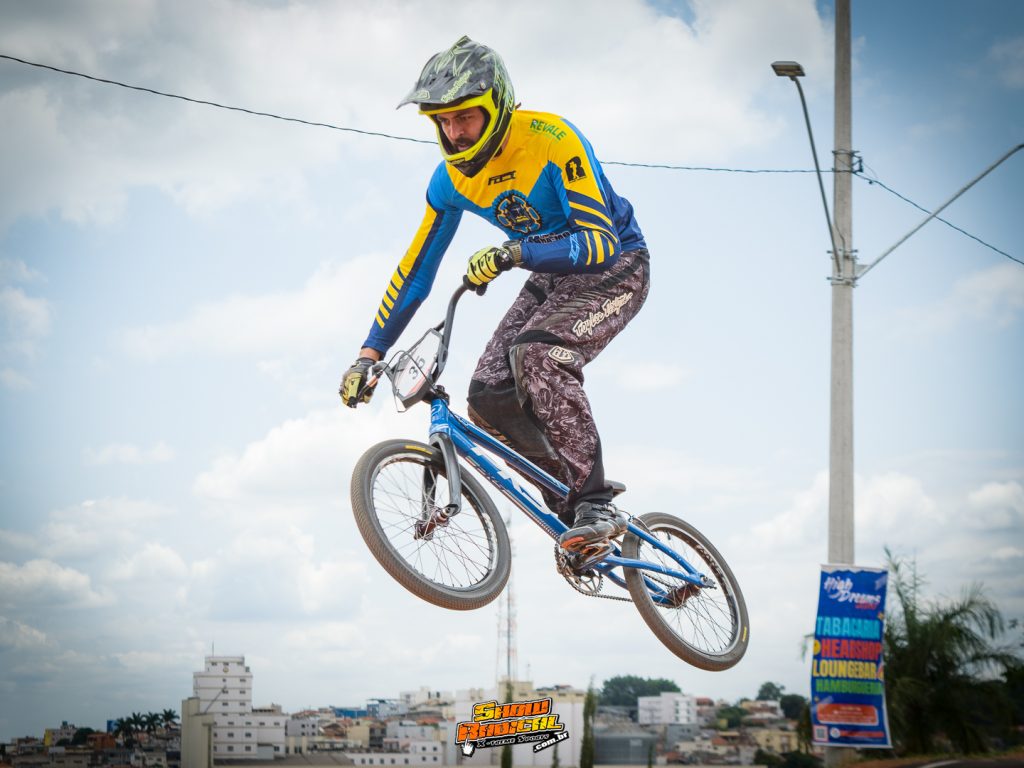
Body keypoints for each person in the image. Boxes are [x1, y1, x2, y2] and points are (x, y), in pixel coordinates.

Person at [340, 36, 650, 556]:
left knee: (537, 355)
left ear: (497, 106)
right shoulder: (449, 182)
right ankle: (570, 505)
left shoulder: (553, 139)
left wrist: (515, 253)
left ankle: (595, 500)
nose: (455, 133)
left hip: (615, 265)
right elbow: (416, 273)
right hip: (548, 274)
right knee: (485, 396)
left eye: (465, 117)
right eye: (442, 120)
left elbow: (599, 242)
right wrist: (368, 353)